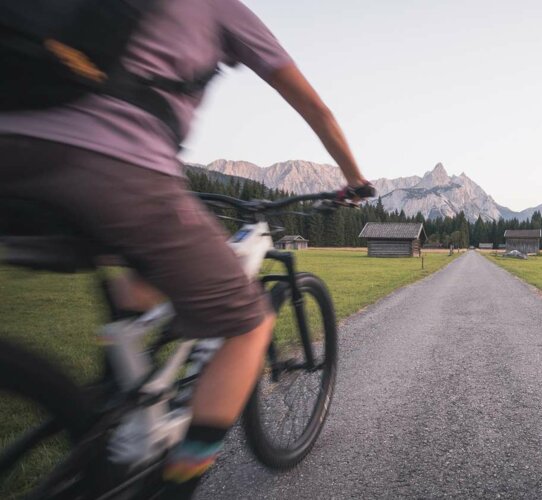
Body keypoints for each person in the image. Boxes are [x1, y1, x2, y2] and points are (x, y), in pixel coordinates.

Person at [0, 0, 373, 497]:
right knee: (251, 324)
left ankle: (119, 393)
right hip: (115, 166)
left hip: (14, 147)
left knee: (140, 277)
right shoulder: (222, 7)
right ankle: (180, 480)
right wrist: (353, 179)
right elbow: (314, 107)